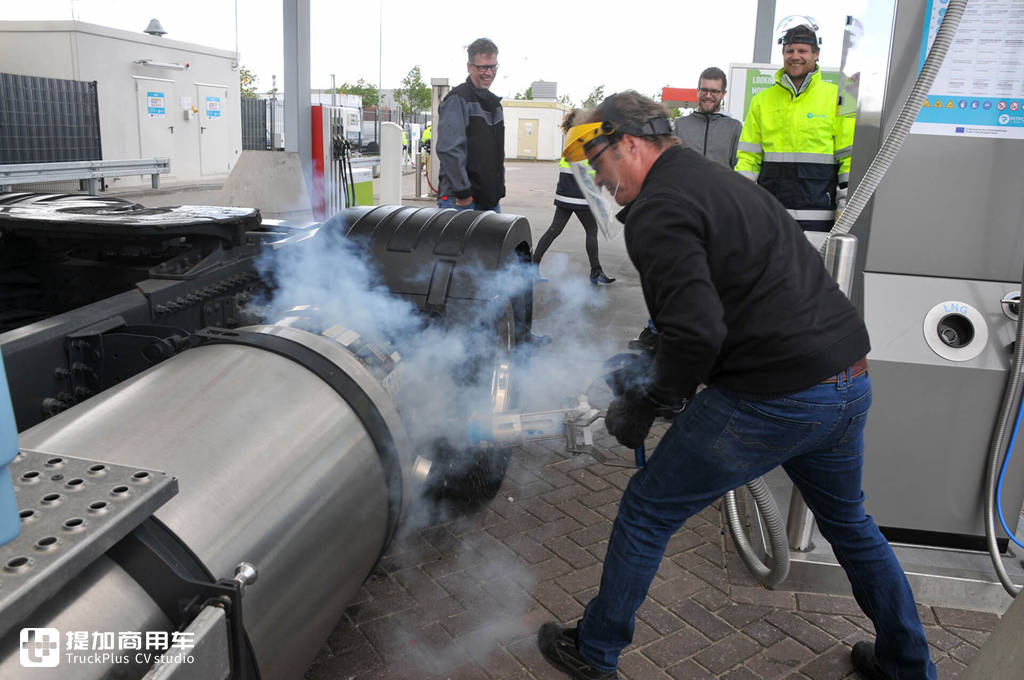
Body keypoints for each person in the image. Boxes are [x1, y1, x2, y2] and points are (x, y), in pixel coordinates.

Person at [536, 91, 935, 680]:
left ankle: (595, 651)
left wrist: (648, 401)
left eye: (597, 160)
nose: (597, 176)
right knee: (850, 524)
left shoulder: (658, 210)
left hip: (774, 396)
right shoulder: (715, 183)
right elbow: (723, 286)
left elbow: (697, 330)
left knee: (647, 510)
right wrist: (652, 351)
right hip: (847, 381)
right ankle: (909, 666)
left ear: (630, 144)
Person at [735, 23, 854, 232]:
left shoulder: (840, 98)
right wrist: (738, 197)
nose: (795, 56)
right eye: (790, 51)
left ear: (816, 54)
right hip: (771, 214)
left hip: (819, 219)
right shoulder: (761, 100)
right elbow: (748, 158)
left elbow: (849, 158)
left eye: (802, 51)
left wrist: (845, 206)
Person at [533, 110, 615, 286]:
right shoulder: (585, 142)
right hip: (581, 197)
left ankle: (531, 267)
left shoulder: (570, 140)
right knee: (591, 232)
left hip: (565, 194)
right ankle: (595, 272)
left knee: (554, 230)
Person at [436, 37, 505, 212]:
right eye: (483, 67)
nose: (488, 73)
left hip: (488, 200)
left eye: (493, 66)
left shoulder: (494, 104)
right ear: (469, 67)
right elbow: (449, 149)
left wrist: (497, 190)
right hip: (460, 200)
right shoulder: (458, 100)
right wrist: (463, 193)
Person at [673, 66, 741, 168]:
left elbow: (739, 168)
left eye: (714, 91)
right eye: (704, 90)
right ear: (698, 91)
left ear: (723, 94)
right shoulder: (679, 126)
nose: (708, 95)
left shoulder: (734, 128)